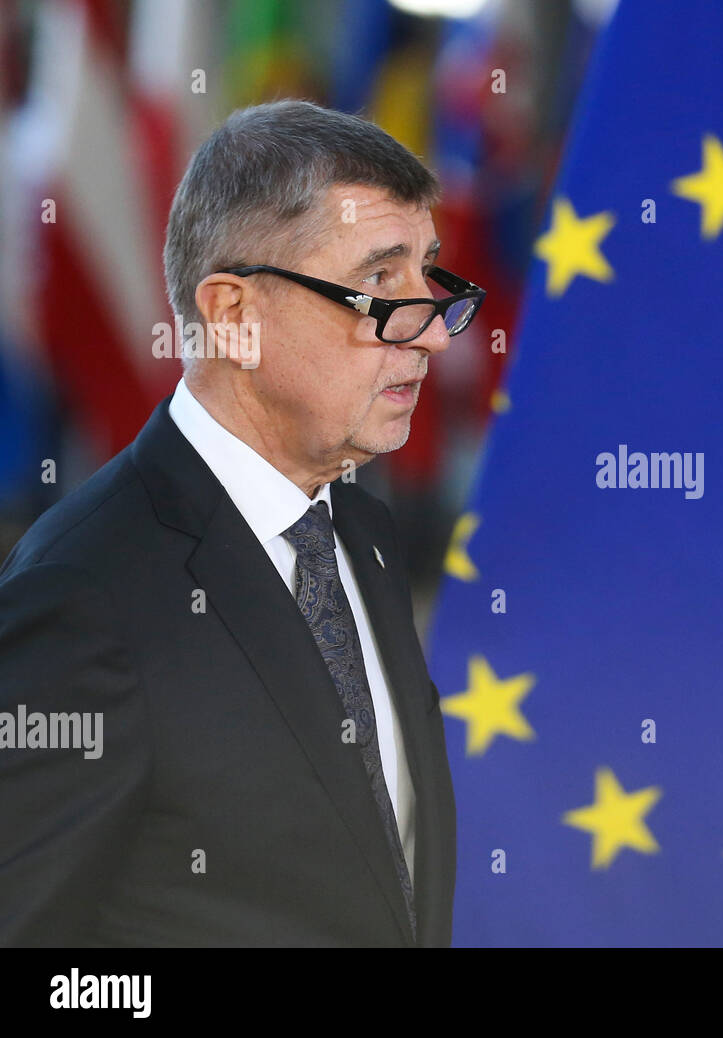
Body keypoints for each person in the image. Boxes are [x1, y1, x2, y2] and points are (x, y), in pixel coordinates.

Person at [0, 100, 481, 946]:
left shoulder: (360, 534)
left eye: (428, 277)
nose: (430, 334)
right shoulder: (82, 591)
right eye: (378, 282)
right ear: (231, 315)